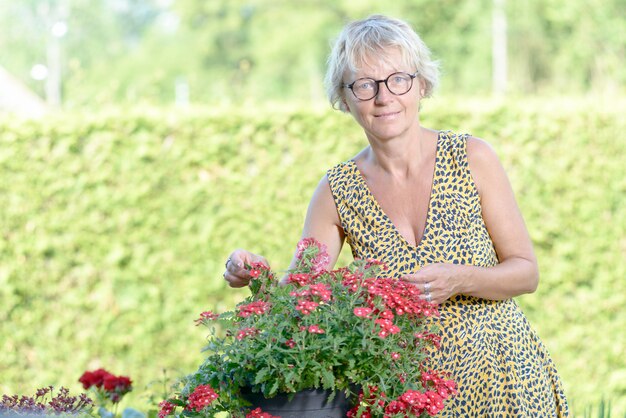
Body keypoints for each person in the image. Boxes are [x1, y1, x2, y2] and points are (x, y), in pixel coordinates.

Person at [223, 14, 569, 417]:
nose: (384, 97)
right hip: (408, 397)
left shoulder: (473, 158)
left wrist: (460, 278)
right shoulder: (336, 190)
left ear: (421, 84)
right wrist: (258, 279)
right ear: (344, 97)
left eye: (398, 79)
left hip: (507, 384)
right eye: (365, 85)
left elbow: (526, 272)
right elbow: (301, 300)